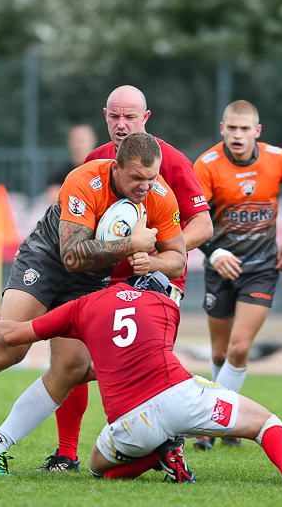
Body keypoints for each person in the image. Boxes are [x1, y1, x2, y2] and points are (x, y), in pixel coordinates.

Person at [0, 133, 187, 473]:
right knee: (8, 350)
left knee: (70, 369)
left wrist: (152, 262)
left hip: (91, 282)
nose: (145, 186)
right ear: (116, 168)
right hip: (46, 260)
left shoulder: (160, 194)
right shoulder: (85, 179)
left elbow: (178, 259)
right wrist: (131, 244)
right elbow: (72, 256)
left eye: (151, 178)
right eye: (136, 178)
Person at [0, 272, 282, 487]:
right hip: (182, 397)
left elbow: (15, 334)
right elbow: (148, 352)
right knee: (268, 424)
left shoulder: (84, 304)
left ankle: (157, 456)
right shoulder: (165, 305)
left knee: (100, 470)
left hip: (129, 422)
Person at [37, 85, 213, 472]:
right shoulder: (95, 160)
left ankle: (166, 443)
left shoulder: (172, 160)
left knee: (139, 369)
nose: (121, 124)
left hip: (153, 282)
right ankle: (66, 454)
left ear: (145, 118)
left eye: (130, 117)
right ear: (105, 116)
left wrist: (158, 254)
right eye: (114, 116)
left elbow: (203, 224)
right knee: (69, 358)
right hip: (98, 279)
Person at [192, 100, 282, 449]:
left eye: (245, 129)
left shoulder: (278, 159)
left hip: (261, 269)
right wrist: (214, 252)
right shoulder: (207, 165)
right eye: (231, 128)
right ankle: (229, 424)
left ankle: (212, 425)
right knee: (219, 353)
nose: (238, 135)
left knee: (240, 347)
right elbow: (193, 217)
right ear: (222, 129)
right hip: (220, 269)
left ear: (257, 131)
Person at [46, 124, 98, 204]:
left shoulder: (103, 168)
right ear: (70, 142)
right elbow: (54, 199)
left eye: (82, 140)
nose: (80, 145)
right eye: (77, 140)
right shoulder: (60, 173)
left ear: (93, 140)